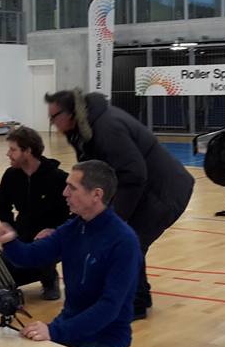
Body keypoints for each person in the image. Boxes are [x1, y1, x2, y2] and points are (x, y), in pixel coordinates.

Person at [0, 160, 139, 347]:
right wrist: (10, 242)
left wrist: (55, 331)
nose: (64, 193)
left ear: (96, 194)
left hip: (105, 336)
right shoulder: (74, 227)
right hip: (70, 326)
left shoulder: (123, 241)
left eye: (72, 187)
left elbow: (109, 308)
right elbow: (32, 256)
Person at [45, 89, 194, 319]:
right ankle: (136, 297)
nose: (52, 123)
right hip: (146, 188)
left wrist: (115, 218)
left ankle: (135, 303)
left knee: (127, 241)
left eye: (54, 117)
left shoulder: (107, 128)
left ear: (71, 113)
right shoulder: (82, 130)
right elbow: (94, 172)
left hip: (163, 191)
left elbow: (133, 174)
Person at [0, 126, 69, 300]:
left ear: (28, 151)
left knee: (43, 247)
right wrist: (9, 229)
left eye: (13, 150)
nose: (8, 154)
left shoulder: (58, 178)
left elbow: (76, 213)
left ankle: (49, 278)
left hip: (51, 239)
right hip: (23, 234)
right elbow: (3, 204)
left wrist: (56, 230)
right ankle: (34, 270)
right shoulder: (11, 175)